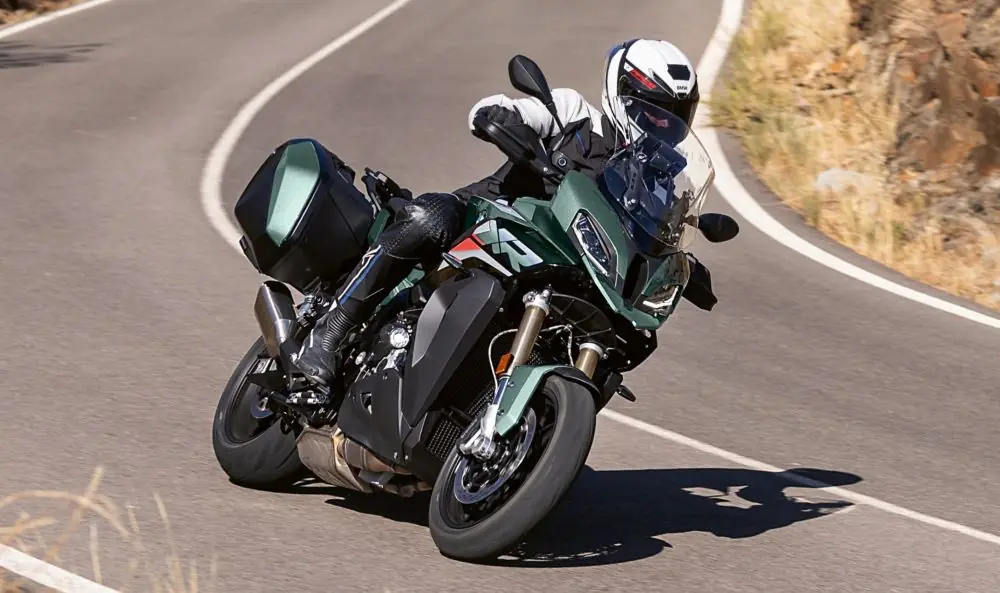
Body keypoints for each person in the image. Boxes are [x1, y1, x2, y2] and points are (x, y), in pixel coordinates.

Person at [293, 38, 702, 387]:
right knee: (431, 216)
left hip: (562, 268)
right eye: (652, 110)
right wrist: (502, 118)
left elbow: (656, 233)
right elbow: (502, 108)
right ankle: (331, 330)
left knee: (621, 336)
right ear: (621, 92)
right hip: (489, 221)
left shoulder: (657, 181)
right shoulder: (574, 114)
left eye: (672, 118)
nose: (660, 124)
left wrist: (679, 263)